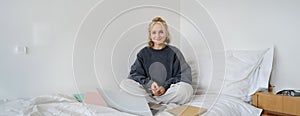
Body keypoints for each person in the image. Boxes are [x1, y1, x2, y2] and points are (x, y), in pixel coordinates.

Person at [120, 17, 193, 105]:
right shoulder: (143, 53)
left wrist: (165, 86)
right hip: (149, 93)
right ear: (150, 35)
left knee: (186, 90)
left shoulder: (174, 52)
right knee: (125, 84)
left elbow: (185, 75)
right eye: (154, 32)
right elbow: (134, 74)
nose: (157, 36)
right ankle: (152, 101)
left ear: (166, 34)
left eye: (161, 32)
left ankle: (152, 102)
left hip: (169, 92)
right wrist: (150, 84)